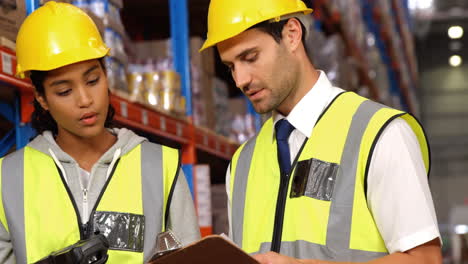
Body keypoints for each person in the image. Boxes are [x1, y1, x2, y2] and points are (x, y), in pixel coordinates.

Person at [199, 0, 442, 263]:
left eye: (250, 57)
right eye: (231, 66)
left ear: (292, 34)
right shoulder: (242, 164)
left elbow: (425, 259)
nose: (240, 79)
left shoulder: (380, 134)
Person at [0, 2, 200, 263]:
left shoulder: (159, 165)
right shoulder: (8, 177)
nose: (85, 100)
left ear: (106, 75)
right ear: (42, 98)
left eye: (93, 81)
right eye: (64, 91)